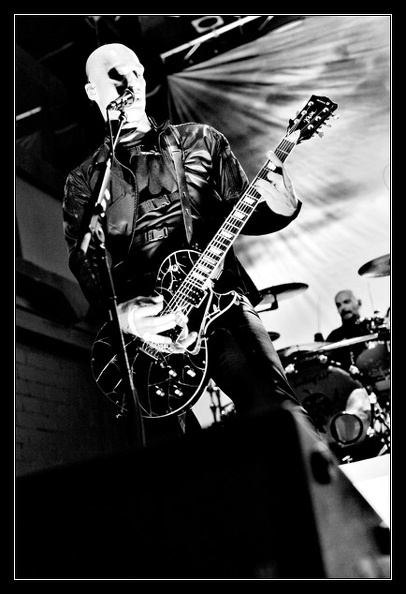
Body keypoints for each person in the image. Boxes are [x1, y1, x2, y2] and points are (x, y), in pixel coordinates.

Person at [62, 42, 314, 447]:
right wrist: (124, 315)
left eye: (135, 72)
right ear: (93, 91)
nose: (130, 82)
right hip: (149, 331)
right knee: (168, 457)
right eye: (115, 75)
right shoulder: (85, 179)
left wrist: (284, 205)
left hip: (220, 301)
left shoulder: (201, 141)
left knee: (278, 413)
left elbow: (245, 212)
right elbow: (87, 261)